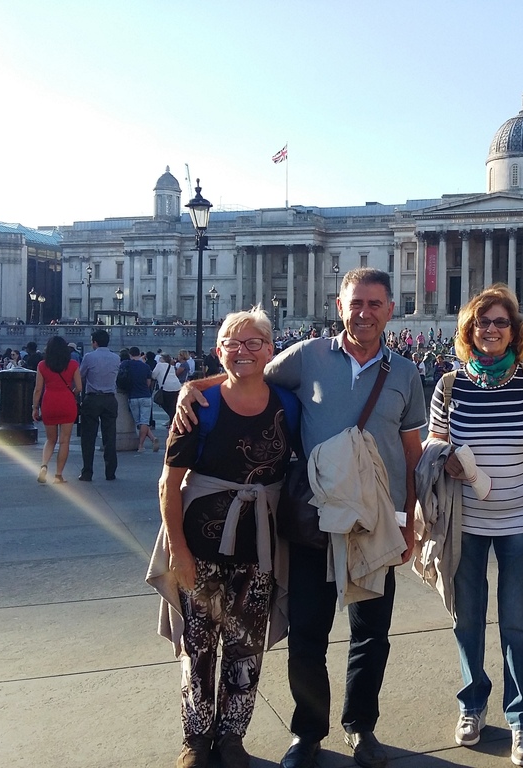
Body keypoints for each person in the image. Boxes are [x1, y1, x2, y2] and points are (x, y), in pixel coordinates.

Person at [175, 268, 426, 768]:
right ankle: (308, 732)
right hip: (315, 519)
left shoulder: (405, 373)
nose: (365, 312)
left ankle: (362, 727)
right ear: (340, 306)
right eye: (356, 303)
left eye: (375, 304)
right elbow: (246, 372)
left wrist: (408, 520)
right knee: (308, 634)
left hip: (376, 522)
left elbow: (412, 453)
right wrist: (194, 386)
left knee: (371, 634)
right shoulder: (309, 355)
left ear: (390, 310)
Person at [150, 306, 293, 768]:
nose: (244, 350)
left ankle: (232, 737)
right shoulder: (199, 407)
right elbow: (169, 483)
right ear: (219, 351)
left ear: (271, 350)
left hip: (260, 545)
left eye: (255, 342)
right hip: (202, 543)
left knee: (245, 646)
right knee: (199, 645)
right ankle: (196, 739)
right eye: (233, 343)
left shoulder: (287, 404)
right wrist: (179, 550)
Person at [427, 285, 523, 767]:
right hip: (465, 520)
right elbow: (434, 440)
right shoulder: (449, 385)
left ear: (514, 331)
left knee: (518, 621)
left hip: (522, 516)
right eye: (483, 323)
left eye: (500, 322)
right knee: (468, 618)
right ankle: (471, 704)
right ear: (469, 331)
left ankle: (522, 719)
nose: (491, 330)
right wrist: (447, 458)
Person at [32, 336, 82, 484]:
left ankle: (44, 465)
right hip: (67, 402)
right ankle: (58, 475)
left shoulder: (42, 365)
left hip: (49, 402)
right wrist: (72, 393)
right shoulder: (72, 364)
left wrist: (35, 407)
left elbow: (38, 389)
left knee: (50, 440)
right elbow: (79, 387)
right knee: (64, 441)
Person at [78, 329, 121, 482]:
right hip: (110, 399)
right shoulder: (116, 358)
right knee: (110, 437)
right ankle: (110, 472)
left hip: (93, 398)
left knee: (88, 437)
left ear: (95, 342)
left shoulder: (89, 357)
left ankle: (87, 472)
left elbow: (81, 376)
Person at [121, 346, 159, 453]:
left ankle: (141, 445)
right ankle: (151, 439)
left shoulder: (126, 364)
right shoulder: (145, 367)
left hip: (132, 396)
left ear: (130, 354)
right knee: (144, 422)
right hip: (145, 395)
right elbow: (148, 383)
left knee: (139, 422)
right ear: (140, 354)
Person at [153, 353, 183, 426]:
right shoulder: (171, 366)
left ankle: (173, 420)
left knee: (164, 403)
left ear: (163, 359)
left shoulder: (159, 365)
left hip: (166, 387)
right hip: (177, 386)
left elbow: (153, 375)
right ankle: (173, 420)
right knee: (172, 405)